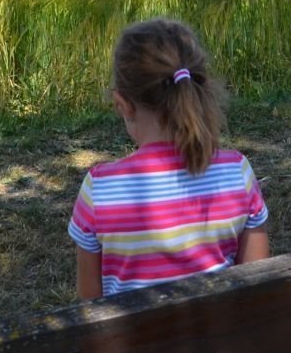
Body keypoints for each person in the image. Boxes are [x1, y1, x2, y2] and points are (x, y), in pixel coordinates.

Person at [68, 18, 270, 298]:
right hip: (223, 340)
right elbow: (256, 288)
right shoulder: (237, 173)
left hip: (135, 342)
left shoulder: (99, 190)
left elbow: (88, 308)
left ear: (122, 105)